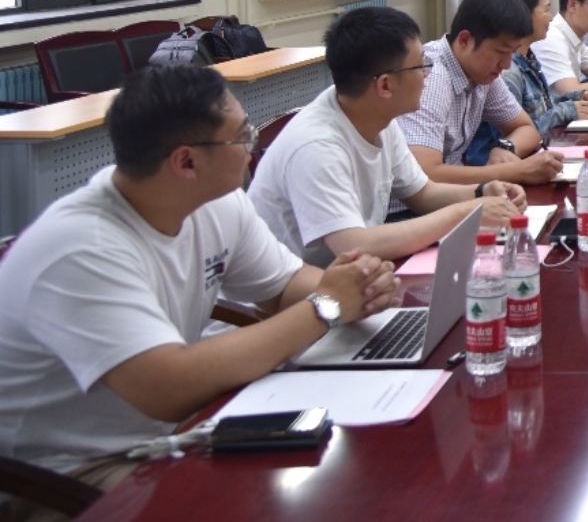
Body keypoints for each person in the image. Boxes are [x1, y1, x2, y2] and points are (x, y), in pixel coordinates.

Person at [0, 66, 400, 483]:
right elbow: (167, 389)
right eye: (242, 137)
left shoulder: (215, 201)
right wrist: (326, 305)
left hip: (171, 434)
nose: (252, 148)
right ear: (186, 161)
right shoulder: (82, 249)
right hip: (68, 473)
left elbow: (283, 287)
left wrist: (360, 287)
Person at [249, 7, 527, 266]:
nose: (427, 74)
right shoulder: (316, 145)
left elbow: (422, 193)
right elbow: (354, 246)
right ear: (385, 85)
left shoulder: (377, 117)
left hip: (357, 278)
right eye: (420, 66)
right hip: (304, 293)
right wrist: (468, 211)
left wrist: (482, 191)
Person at [399, 0, 564, 187]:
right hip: (418, 204)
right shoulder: (432, 78)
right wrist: (517, 171)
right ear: (465, 40)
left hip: (453, 196)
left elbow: (526, 128)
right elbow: (425, 174)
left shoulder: (482, 72)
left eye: (512, 53)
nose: (506, 65)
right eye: (501, 52)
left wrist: (505, 147)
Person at [500, 0, 588, 140]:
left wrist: (574, 97)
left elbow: (539, 106)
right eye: (546, 9)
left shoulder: (529, 58)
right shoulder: (508, 70)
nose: (550, 17)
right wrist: (566, 110)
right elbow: (517, 135)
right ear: (524, 13)